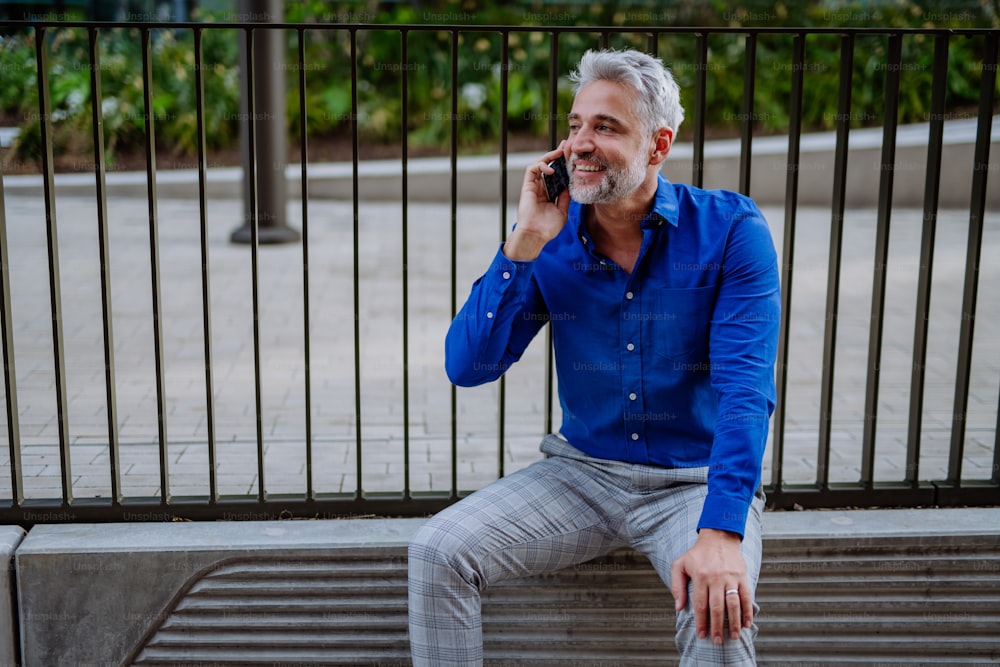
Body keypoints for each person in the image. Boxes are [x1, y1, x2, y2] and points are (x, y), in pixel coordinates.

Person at [408, 48, 780, 666]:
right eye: (576, 124)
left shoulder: (730, 231)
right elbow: (468, 367)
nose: (581, 142)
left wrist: (720, 532)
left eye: (606, 127)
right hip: (581, 476)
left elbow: (747, 390)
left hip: (694, 483)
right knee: (437, 550)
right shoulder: (549, 240)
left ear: (657, 146)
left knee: (720, 605)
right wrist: (524, 240)